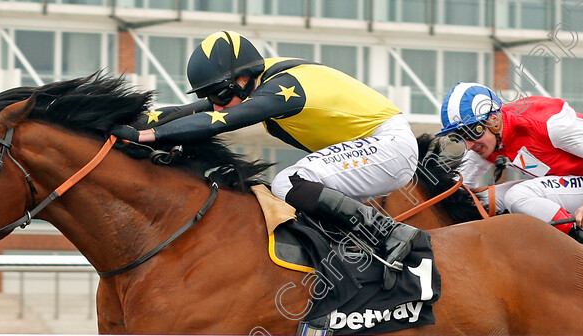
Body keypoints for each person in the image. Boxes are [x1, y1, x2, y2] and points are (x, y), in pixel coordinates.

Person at [111, 31, 422, 267]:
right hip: (373, 148)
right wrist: (117, 122)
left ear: (244, 79)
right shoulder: (254, 81)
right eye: (212, 97)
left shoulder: (283, 88)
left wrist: (148, 136)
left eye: (220, 95)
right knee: (306, 208)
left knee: (290, 181)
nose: (217, 104)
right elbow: (189, 111)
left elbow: (221, 121)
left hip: (389, 146)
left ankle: (390, 231)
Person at [437, 82, 583, 257]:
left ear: (494, 119)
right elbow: (460, 190)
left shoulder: (550, 124)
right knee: (479, 200)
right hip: (564, 185)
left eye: (472, 132)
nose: (469, 145)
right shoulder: (486, 140)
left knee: (517, 195)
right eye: (459, 137)